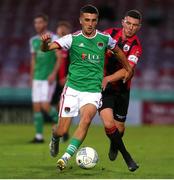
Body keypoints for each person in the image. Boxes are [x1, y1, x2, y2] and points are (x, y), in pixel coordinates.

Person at [40, 4, 132, 171]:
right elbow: (48, 48)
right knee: (61, 130)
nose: (90, 24)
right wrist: (45, 44)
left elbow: (118, 51)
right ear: (81, 21)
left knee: (86, 120)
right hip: (72, 90)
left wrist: (128, 67)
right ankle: (55, 138)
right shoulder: (72, 39)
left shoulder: (104, 39)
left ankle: (65, 158)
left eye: (94, 20)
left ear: (97, 21)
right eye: (87, 20)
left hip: (93, 91)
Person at [99, 10, 142, 171]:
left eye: (135, 25)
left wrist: (108, 78)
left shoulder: (136, 46)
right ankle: (128, 158)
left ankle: (114, 143)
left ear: (139, 27)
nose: (131, 27)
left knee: (119, 129)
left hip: (122, 89)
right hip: (105, 88)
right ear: (123, 21)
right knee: (109, 124)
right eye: (129, 23)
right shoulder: (109, 34)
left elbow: (127, 70)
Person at [29, 13, 60, 143]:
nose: (37, 25)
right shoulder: (33, 40)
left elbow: (59, 58)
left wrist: (54, 74)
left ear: (45, 23)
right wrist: (31, 77)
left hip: (48, 78)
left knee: (45, 105)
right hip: (37, 77)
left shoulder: (54, 38)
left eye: (40, 22)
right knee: (36, 106)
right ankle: (39, 136)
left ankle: (61, 127)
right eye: (35, 23)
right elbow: (33, 60)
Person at [53, 21, 72, 142]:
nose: (61, 33)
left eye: (63, 32)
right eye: (60, 32)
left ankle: (64, 131)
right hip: (56, 81)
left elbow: (74, 64)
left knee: (64, 107)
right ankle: (61, 129)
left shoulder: (71, 47)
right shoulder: (56, 48)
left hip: (67, 80)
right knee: (57, 107)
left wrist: (67, 77)